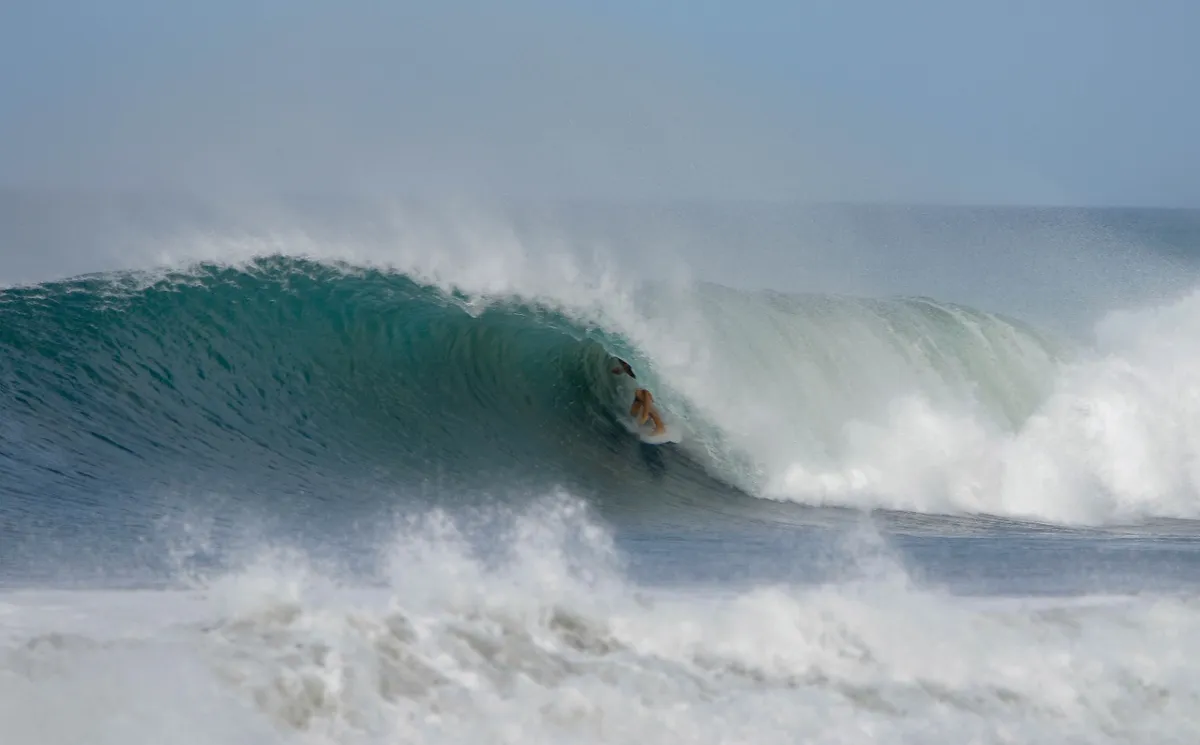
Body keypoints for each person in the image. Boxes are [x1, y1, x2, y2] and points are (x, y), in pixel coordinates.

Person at [611, 358, 666, 435]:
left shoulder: (641, 371)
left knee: (640, 394)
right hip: (644, 378)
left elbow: (647, 392)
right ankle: (652, 421)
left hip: (648, 381)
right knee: (634, 411)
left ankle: (659, 425)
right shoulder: (629, 364)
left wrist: (645, 414)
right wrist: (621, 370)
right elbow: (629, 367)